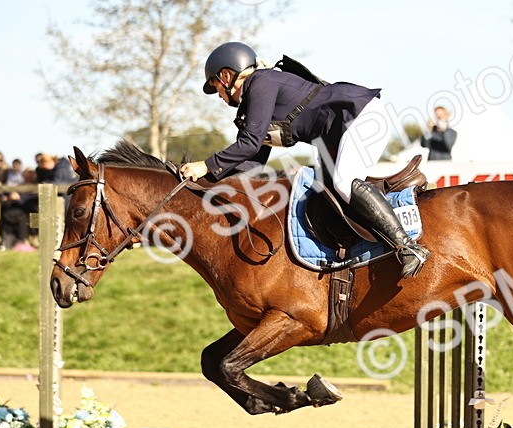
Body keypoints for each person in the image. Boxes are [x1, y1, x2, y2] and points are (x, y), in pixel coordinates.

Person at [180, 42, 428, 278]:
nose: (219, 95)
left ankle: (407, 247)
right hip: (337, 135)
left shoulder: (260, 81)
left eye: (216, 86)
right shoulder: (254, 103)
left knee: (343, 183)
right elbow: (250, 166)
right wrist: (203, 184)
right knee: (323, 193)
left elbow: (249, 143)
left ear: (226, 76)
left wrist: (205, 165)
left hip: (360, 116)